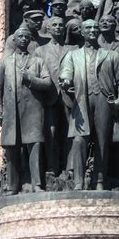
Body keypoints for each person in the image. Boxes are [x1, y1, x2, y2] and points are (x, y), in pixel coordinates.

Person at [59, 19, 119, 190]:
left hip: (103, 101)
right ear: (82, 32)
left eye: (95, 28)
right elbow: (66, 72)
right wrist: (66, 81)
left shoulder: (111, 55)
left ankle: (99, 180)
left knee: (102, 141)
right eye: (88, 28)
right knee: (78, 141)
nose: (92, 30)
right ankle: (78, 181)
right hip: (81, 100)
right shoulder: (72, 55)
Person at [0, 27, 52, 194]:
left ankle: (37, 184)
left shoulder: (37, 61)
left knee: (34, 147)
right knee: (12, 150)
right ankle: (12, 186)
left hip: (32, 110)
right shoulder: (5, 62)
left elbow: (48, 83)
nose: (24, 39)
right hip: (12, 112)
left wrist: (31, 79)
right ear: (15, 40)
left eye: (27, 37)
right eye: (21, 37)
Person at [33, 17, 70, 176]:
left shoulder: (73, 49)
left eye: (61, 25)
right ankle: (52, 167)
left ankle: (70, 168)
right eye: (54, 25)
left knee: (70, 132)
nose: (58, 28)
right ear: (48, 29)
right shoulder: (40, 51)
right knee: (51, 132)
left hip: (69, 96)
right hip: (49, 97)